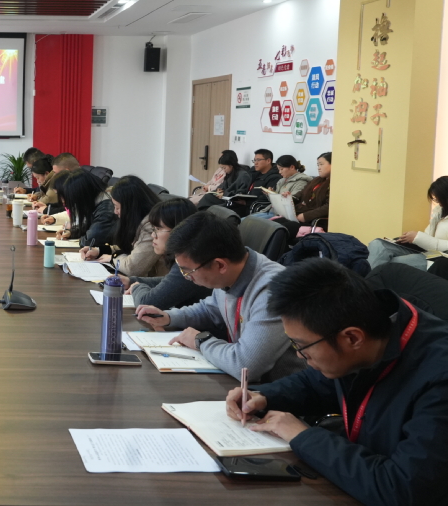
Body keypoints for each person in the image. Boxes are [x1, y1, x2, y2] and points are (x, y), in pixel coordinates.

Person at [225, 258, 448, 506]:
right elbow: (318, 383)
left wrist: (302, 436)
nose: (299, 355)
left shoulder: (439, 379)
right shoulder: (370, 329)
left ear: (352, 338)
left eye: (301, 345)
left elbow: (401, 489)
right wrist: (263, 396)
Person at [134, 212, 303, 382]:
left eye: (188, 271)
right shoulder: (232, 272)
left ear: (220, 265)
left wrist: (201, 341)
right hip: (243, 384)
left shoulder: (272, 290)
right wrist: (169, 317)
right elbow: (210, 309)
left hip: (279, 390)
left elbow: (245, 365)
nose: (187, 277)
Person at [118, 197, 210, 309]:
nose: (153, 235)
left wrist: (136, 287)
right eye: (153, 229)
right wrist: (131, 281)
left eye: (158, 229)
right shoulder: (187, 256)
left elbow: (147, 303)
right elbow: (168, 282)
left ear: (178, 229)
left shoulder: (190, 262)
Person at [82, 175, 166, 278]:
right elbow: (129, 247)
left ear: (131, 207)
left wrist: (112, 258)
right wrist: (100, 251)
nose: (115, 212)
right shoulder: (139, 219)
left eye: (117, 207)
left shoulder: (152, 225)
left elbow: (133, 268)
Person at [367, 176, 448, 270]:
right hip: (427, 252)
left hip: (439, 259)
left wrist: (418, 237)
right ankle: (364, 278)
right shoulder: (439, 212)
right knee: (377, 244)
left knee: (390, 262)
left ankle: (365, 278)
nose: (438, 202)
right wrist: (410, 239)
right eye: (436, 199)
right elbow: (428, 236)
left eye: (439, 198)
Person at [50, 169, 115, 249]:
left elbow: (90, 241)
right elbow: (89, 226)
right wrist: (71, 233)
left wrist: (81, 239)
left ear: (81, 195)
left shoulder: (106, 207)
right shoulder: (96, 201)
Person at [273, 152, 331, 239]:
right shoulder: (316, 180)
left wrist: (306, 216)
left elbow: (329, 207)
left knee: (279, 229)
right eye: (318, 165)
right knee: (273, 224)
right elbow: (302, 193)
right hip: (299, 214)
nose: (319, 168)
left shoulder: (335, 184)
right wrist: (289, 197)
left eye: (321, 164)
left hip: (312, 220)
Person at [246, 155, 312, 219]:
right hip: (271, 210)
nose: (280, 172)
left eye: (281, 169)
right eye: (279, 169)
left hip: (282, 215)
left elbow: (292, 201)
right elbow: (276, 202)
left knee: (247, 222)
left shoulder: (301, 182)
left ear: (292, 167)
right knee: (244, 220)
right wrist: (270, 194)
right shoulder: (282, 180)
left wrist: (285, 197)